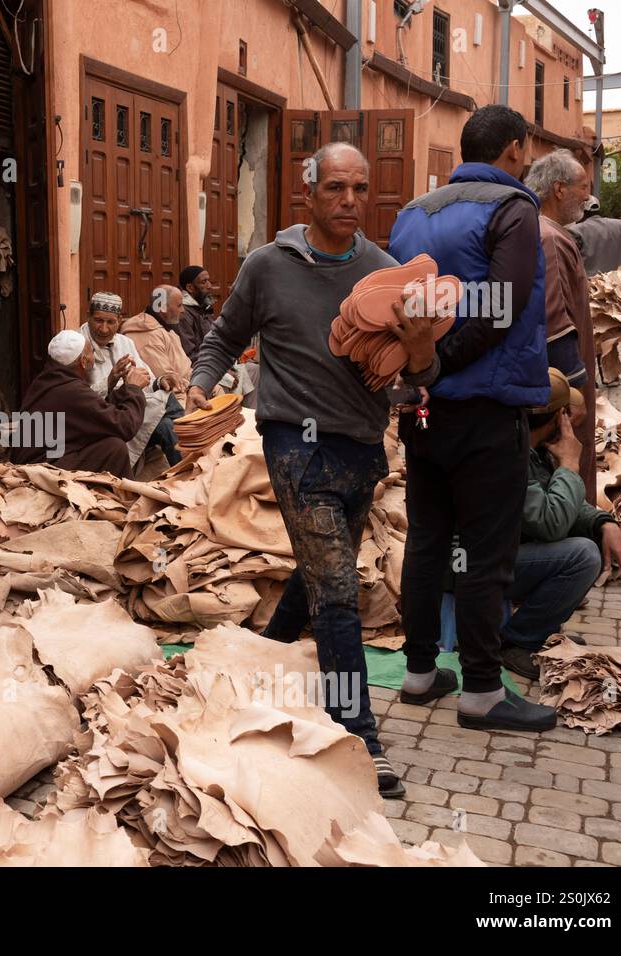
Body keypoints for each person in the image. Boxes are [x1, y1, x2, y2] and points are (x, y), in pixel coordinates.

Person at [186, 141, 437, 799]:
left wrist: (418, 348)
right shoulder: (268, 266)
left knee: (315, 572)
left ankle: (262, 660)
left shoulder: (388, 275)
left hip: (361, 448)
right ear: (310, 194)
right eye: (336, 189)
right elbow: (222, 335)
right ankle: (363, 739)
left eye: (360, 188)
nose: (350, 200)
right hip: (293, 444)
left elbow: (422, 376)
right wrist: (201, 383)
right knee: (336, 593)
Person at [387, 104, 556, 732]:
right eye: (528, 152)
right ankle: (483, 688)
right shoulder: (513, 209)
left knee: (428, 540)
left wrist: (422, 371)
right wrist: (437, 364)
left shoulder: (412, 213)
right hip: (483, 408)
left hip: (424, 413)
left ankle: (420, 672)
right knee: (487, 553)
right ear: (514, 149)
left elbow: (395, 301)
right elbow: (502, 306)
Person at [501, 370, 621, 678]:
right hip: (466, 566)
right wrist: (571, 465)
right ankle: (518, 642)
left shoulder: (530, 446)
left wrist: (604, 523)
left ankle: (538, 628)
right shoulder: (511, 452)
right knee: (582, 556)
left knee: (589, 539)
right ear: (559, 418)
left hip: (492, 556)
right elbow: (552, 523)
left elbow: (563, 505)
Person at [526, 150, 596, 502]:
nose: (588, 196)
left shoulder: (544, 231)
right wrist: (573, 390)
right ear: (558, 189)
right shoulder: (550, 238)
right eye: (583, 187)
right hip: (559, 391)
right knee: (565, 474)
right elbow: (554, 318)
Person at [9, 329, 148, 477]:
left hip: (44, 459)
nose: (93, 358)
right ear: (83, 361)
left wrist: (121, 387)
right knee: (115, 448)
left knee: (111, 445)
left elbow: (94, 412)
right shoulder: (71, 391)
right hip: (40, 469)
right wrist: (134, 389)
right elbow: (125, 426)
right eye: (91, 353)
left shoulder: (48, 379)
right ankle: (124, 497)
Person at [80, 292, 180, 468]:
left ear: (120, 320)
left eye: (111, 322)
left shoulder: (125, 343)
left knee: (169, 420)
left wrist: (160, 381)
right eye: (98, 320)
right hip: (103, 418)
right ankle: (189, 474)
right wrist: (110, 381)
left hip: (131, 409)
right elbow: (80, 400)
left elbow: (145, 378)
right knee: (168, 422)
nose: (104, 329)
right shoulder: (78, 345)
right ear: (88, 316)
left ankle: (189, 470)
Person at [120, 285, 193, 408]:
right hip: (172, 402)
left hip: (187, 390)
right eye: (179, 305)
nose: (183, 311)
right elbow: (170, 383)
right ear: (163, 308)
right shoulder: (148, 335)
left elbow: (186, 369)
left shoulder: (166, 329)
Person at [567, 195, 621, 275]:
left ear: (582, 211)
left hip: (592, 284)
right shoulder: (620, 225)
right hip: (620, 281)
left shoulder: (576, 230)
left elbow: (568, 260)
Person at [177, 265, 216, 365]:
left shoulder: (203, 308)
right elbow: (190, 355)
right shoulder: (183, 314)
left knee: (254, 368)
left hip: (215, 362)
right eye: (204, 282)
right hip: (202, 369)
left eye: (208, 281)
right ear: (190, 287)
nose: (209, 286)